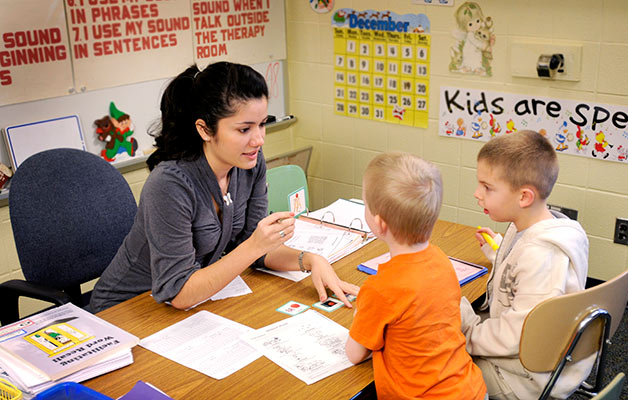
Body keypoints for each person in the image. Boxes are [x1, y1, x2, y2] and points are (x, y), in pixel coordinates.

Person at [90, 62, 358, 313]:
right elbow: (180, 292)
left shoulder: (249, 164)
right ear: (205, 130)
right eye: (244, 129)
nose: (259, 139)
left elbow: (253, 246)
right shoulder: (169, 185)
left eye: (262, 124)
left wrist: (310, 261)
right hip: (127, 310)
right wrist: (255, 245)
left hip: (185, 307)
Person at [461, 130, 593, 400]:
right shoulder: (535, 226)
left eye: (487, 187)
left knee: (436, 360)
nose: (477, 194)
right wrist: (499, 250)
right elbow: (525, 262)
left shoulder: (541, 254)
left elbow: (517, 335)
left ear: (524, 197)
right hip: (529, 357)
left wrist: (469, 331)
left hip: (525, 379)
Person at [346, 152, 487, 399]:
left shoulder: (380, 288)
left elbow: (354, 354)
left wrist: (362, 311)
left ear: (379, 223)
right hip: (470, 389)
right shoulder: (441, 260)